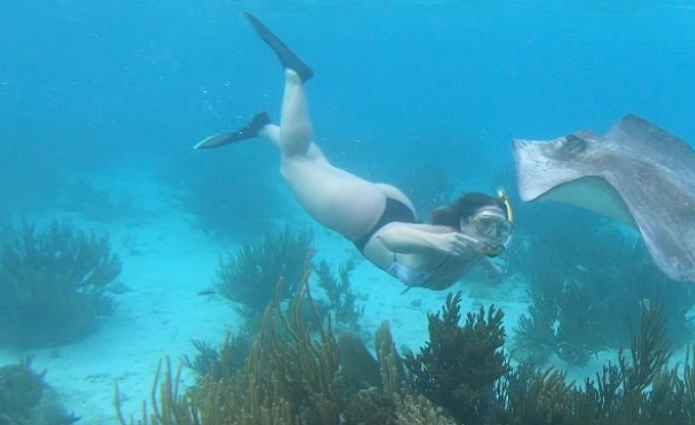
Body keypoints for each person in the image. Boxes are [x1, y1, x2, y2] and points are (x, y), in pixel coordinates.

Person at [194, 13, 512, 291]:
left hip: (390, 205)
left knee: (315, 162)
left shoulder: (471, 247)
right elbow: (391, 238)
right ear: (464, 223)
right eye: (486, 224)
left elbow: (467, 249)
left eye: (501, 228)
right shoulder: (445, 240)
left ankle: (261, 128)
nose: (494, 235)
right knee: (293, 162)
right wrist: (433, 239)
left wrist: (488, 265)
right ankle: (294, 76)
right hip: (367, 222)